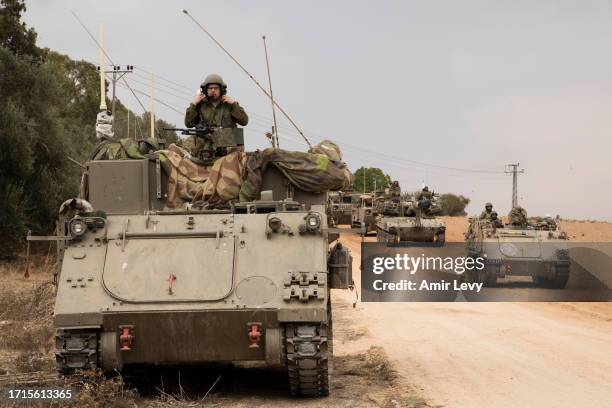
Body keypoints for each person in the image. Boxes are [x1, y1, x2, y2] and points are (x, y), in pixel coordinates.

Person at [183, 74, 248, 159]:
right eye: (210, 88)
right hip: (204, 142)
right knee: (187, 147)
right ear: (206, 90)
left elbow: (244, 121)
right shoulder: (200, 105)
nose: (213, 90)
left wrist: (233, 104)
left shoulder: (229, 104)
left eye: (216, 88)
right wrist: (194, 104)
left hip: (226, 142)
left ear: (221, 89)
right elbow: (188, 123)